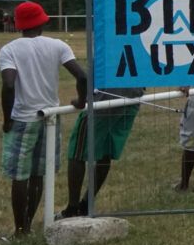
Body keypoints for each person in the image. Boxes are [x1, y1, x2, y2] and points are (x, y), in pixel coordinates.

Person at [0, 1, 87, 239]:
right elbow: (82, 76)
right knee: (38, 173)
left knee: (20, 176)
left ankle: (20, 230)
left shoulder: (9, 50)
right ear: (42, 22)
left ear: (18, 25)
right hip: (50, 118)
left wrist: (7, 119)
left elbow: (9, 85)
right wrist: (81, 101)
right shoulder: (58, 45)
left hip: (23, 118)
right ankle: (28, 222)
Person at [57, 86, 145, 218]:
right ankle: (85, 206)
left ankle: (72, 209)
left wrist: (82, 99)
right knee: (105, 151)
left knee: (77, 152)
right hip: (134, 95)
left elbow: (82, 76)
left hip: (105, 97)